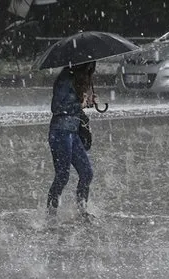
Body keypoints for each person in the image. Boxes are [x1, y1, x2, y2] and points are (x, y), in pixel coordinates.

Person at [46, 61, 98, 225]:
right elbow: (56, 107)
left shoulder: (77, 78)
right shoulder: (65, 78)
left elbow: (74, 106)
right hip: (60, 132)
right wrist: (80, 103)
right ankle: (51, 215)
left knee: (87, 173)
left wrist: (87, 101)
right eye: (90, 67)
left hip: (73, 132)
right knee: (62, 176)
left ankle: (82, 211)